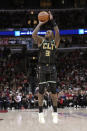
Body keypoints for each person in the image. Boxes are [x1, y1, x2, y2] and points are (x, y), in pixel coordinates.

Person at [32, 11, 60, 124]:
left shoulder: (55, 42)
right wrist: (40, 23)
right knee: (41, 91)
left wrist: (52, 21)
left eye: (49, 31)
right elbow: (33, 35)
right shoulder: (41, 41)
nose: (47, 32)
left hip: (52, 68)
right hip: (42, 68)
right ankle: (40, 112)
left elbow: (57, 31)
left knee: (54, 92)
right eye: (46, 31)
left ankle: (55, 111)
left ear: (52, 35)